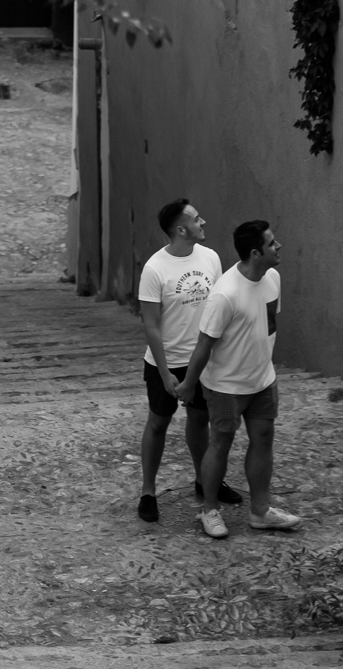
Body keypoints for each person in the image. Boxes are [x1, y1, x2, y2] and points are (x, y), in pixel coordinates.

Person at [178, 220, 302, 539]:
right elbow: (204, 343)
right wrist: (190, 383)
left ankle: (260, 511)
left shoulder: (272, 277)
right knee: (220, 444)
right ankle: (209, 510)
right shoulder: (225, 294)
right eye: (272, 244)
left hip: (262, 381)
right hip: (225, 386)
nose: (278, 247)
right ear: (255, 253)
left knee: (263, 440)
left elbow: (268, 325)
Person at [134, 199, 238, 522]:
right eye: (196, 218)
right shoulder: (155, 269)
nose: (203, 221)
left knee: (199, 421)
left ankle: (205, 480)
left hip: (201, 359)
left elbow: (217, 306)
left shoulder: (210, 258)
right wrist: (165, 373)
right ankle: (148, 492)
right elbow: (151, 325)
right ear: (181, 229)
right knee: (158, 423)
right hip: (165, 362)